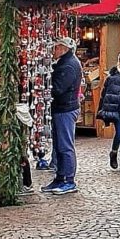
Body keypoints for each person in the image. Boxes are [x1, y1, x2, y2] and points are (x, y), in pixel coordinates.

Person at [40, 36, 82, 195]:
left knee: (65, 146)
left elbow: (58, 88)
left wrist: (45, 88)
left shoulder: (68, 65)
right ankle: (60, 177)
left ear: (63, 48)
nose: (53, 51)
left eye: (55, 48)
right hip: (62, 108)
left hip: (65, 108)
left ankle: (69, 180)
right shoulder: (66, 63)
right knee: (60, 145)